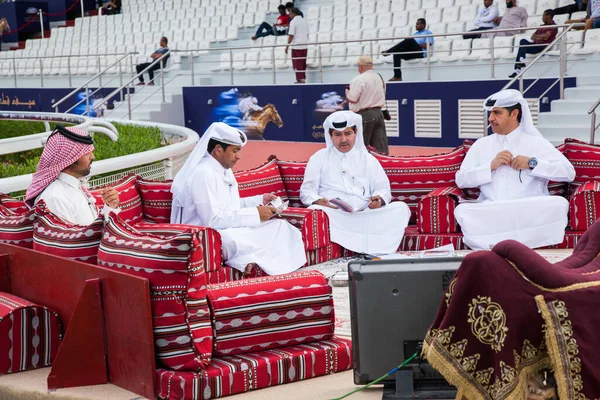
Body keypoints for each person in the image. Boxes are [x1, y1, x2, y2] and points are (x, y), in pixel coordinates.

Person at [170, 122, 307, 276]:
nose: (239, 156)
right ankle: (245, 260)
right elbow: (212, 219)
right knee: (238, 238)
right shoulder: (202, 173)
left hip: (229, 227)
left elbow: (231, 205)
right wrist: (256, 214)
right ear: (218, 150)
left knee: (281, 227)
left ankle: (249, 261)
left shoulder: (223, 169)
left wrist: (259, 200)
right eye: (235, 151)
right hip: (208, 235)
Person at [454, 89, 575, 250]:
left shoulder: (536, 143)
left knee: (559, 204)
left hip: (527, 208)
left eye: (497, 113)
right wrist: (490, 166)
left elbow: (568, 172)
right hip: (492, 209)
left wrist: (532, 163)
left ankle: (504, 243)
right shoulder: (482, 145)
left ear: (514, 114)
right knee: (463, 210)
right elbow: (461, 180)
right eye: (490, 113)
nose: (490, 118)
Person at [300, 111, 411, 255]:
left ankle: (370, 247)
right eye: (337, 135)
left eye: (348, 133)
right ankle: (364, 244)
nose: (343, 139)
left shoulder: (368, 159)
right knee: (313, 212)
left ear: (356, 132)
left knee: (401, 209)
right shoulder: (319, 158)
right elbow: (306, 191)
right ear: (330, 135)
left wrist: (379, 200)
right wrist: (318, 201)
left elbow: (383, 188)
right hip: (334, 214)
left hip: (365, 213)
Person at [25, 126, 120, 225]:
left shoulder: (75, 187)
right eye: (86, 153)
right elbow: (70, 240)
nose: (93, 156)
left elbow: (96, 228)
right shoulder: (55, 198)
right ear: (69, 158)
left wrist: (111, 206)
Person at [345, 55, 389, 154]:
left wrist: (347, 92)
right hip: (378, 113)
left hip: (364, 114)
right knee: (380, 147)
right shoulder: (379, 77)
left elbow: (353, 98)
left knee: (361, 146)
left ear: (360, 66)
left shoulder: (359, 79)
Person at [509, 10, 557, 78]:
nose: (542, 18)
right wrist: (542, 37)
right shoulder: (541, 26)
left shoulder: (553, 26)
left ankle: (517, 68)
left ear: (549, 16)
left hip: (542, 46)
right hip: (535, 45)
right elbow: (532, 37)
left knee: (522, 47)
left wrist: (538, 37)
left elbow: (546, 37)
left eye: (543, 16)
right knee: (523, 41)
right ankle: (520, 63)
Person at [285, 7, 309, 84]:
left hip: (297, 46)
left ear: (293, 13)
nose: (289, 15)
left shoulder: (293, 22)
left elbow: (291, 35)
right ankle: (303, 78)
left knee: (297, 63)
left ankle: (300, 80)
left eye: (290, 13)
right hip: (304, 45)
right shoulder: (304, 21)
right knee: (302, 63)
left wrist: (287, 46)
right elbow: (307, 33)